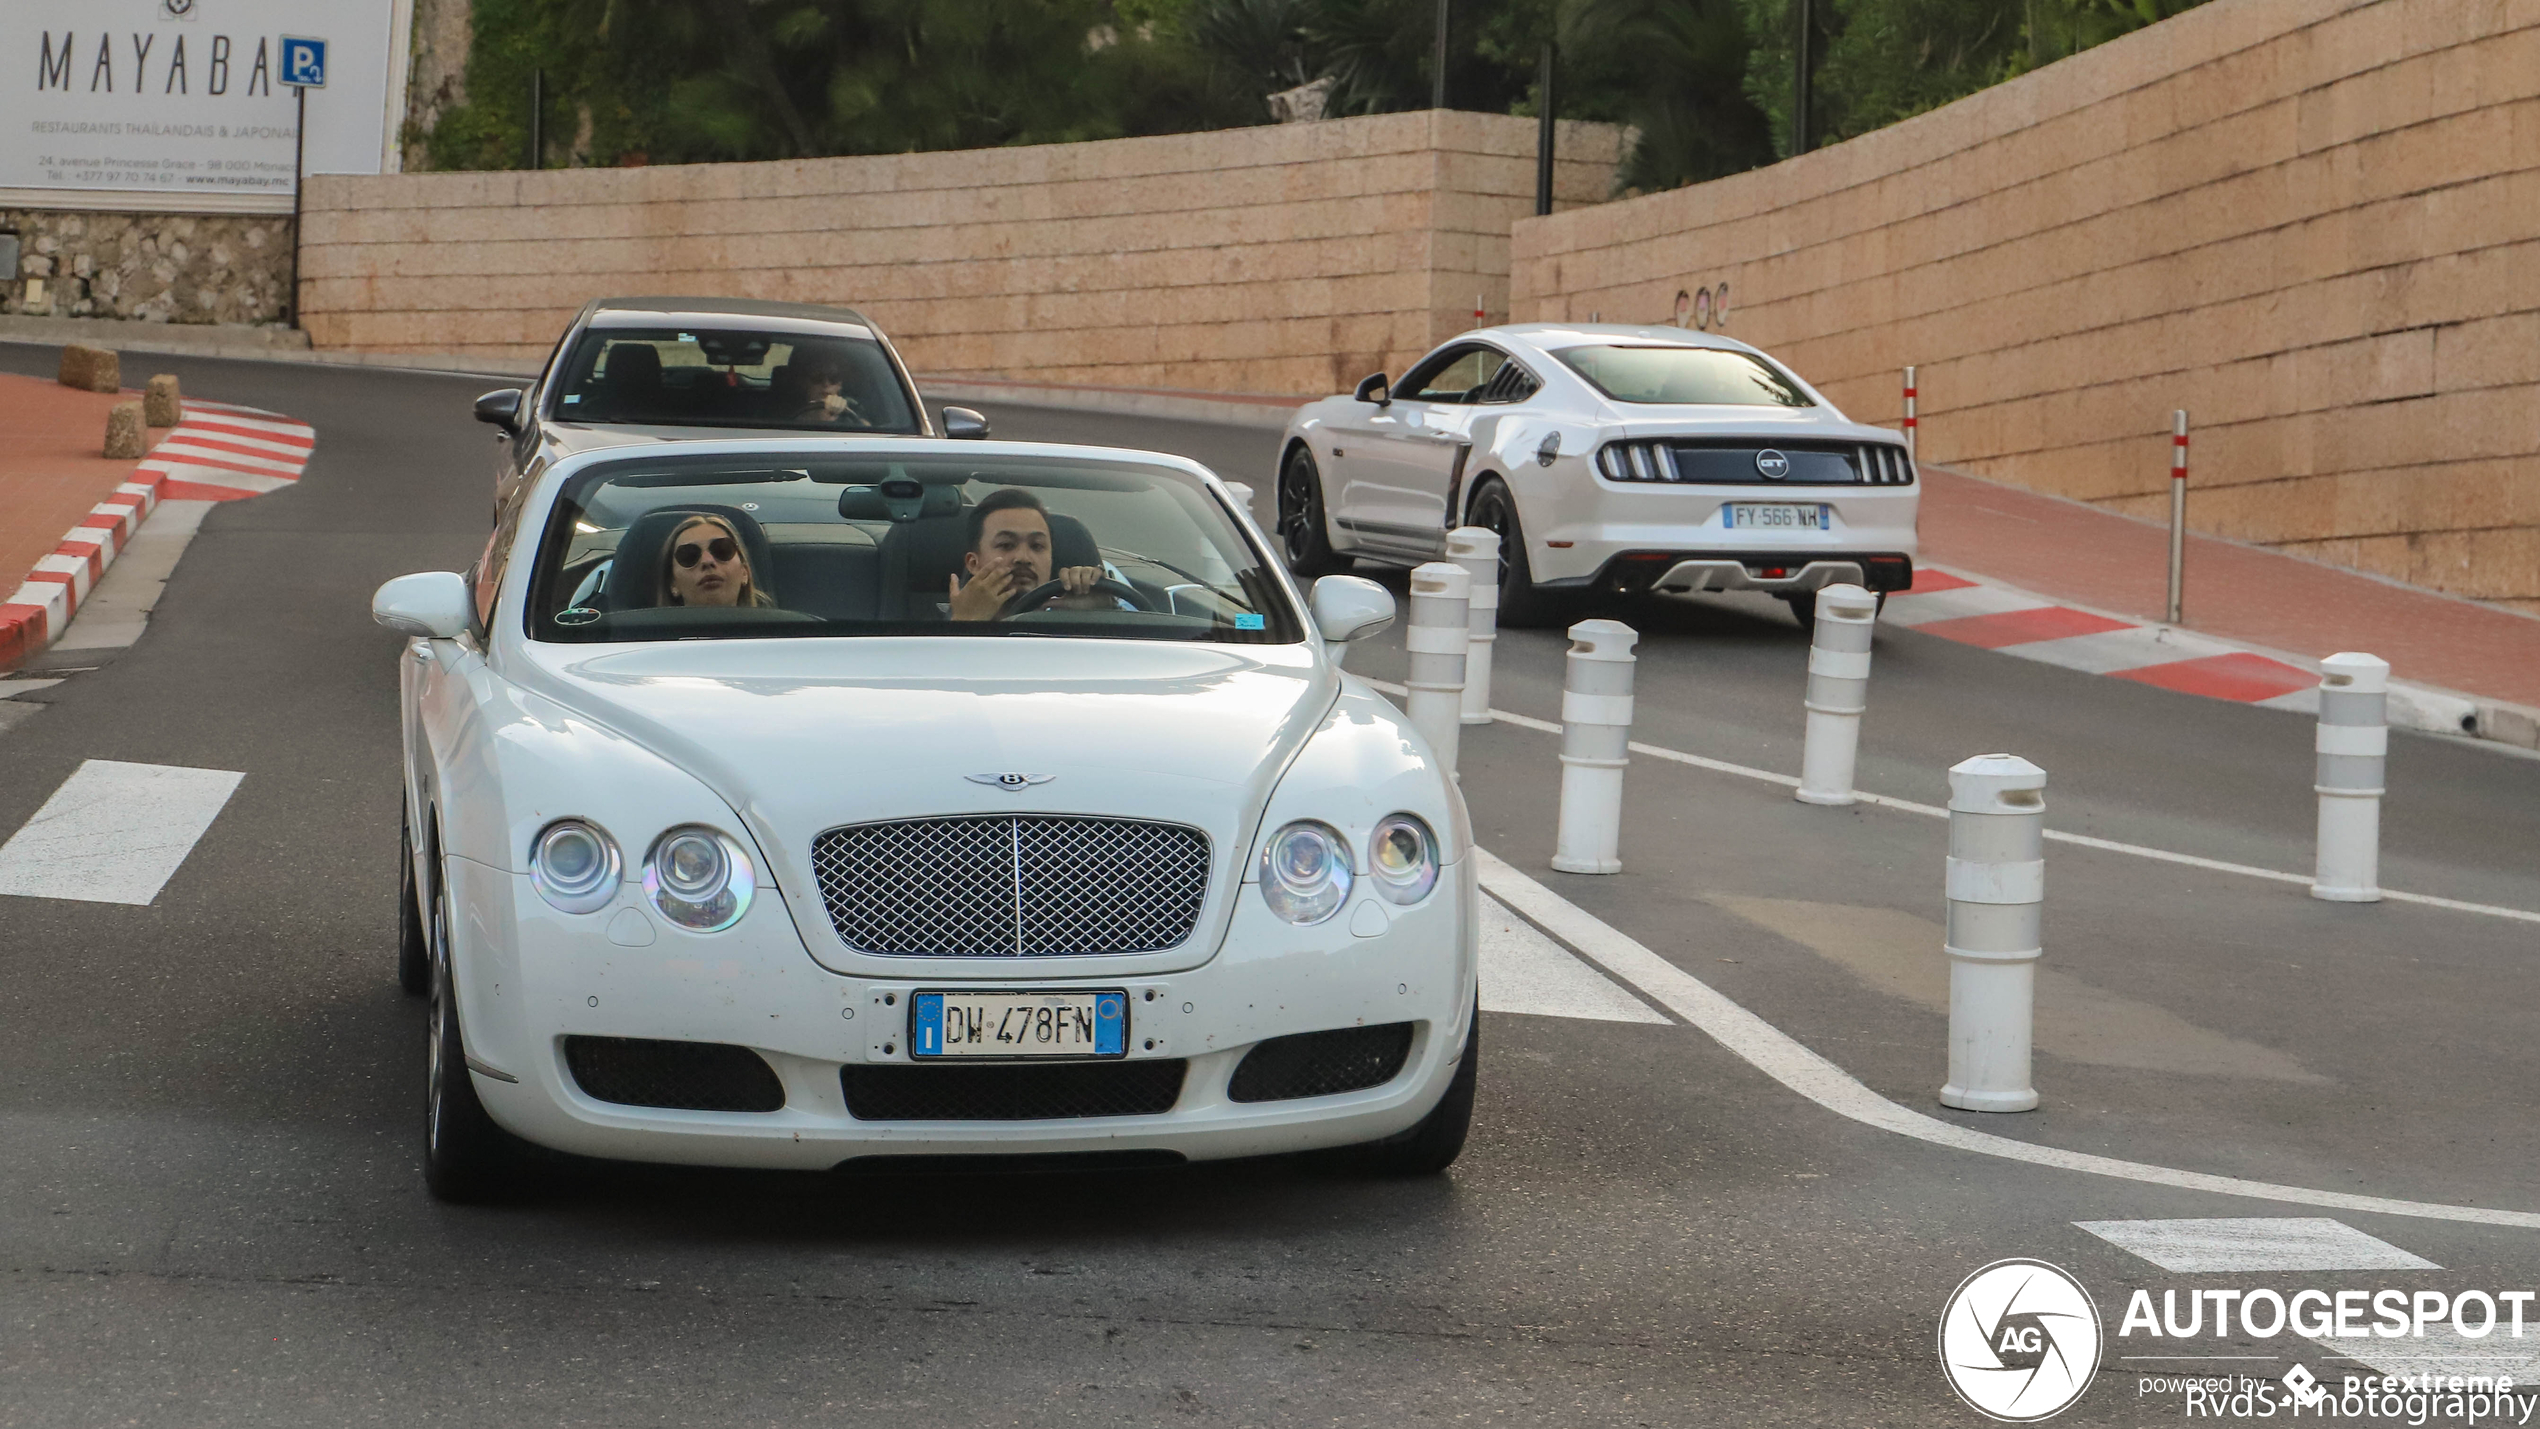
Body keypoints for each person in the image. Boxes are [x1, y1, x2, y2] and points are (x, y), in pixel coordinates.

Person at [948, 489, 1106, 621]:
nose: (1023, 558)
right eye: (1006, 545)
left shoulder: (1072, 632)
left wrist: (1097, 617)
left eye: (1037, 546)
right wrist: (965, 621)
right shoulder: (930, 637)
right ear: (973, 564)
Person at [657, 514, 777, 608]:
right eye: (689, 555)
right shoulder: (651, 640)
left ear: (744, 572)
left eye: (722, 550)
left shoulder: (779, 636)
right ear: (673, 584)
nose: (707, 561)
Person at [786, 352, 869, 426]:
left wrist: (846, 413)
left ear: (840, 385)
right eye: (817, 377)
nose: (826, 384)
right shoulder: (786, 411)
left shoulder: (853, 407)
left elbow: (868, 432)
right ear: (805, 383)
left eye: (834, 378)